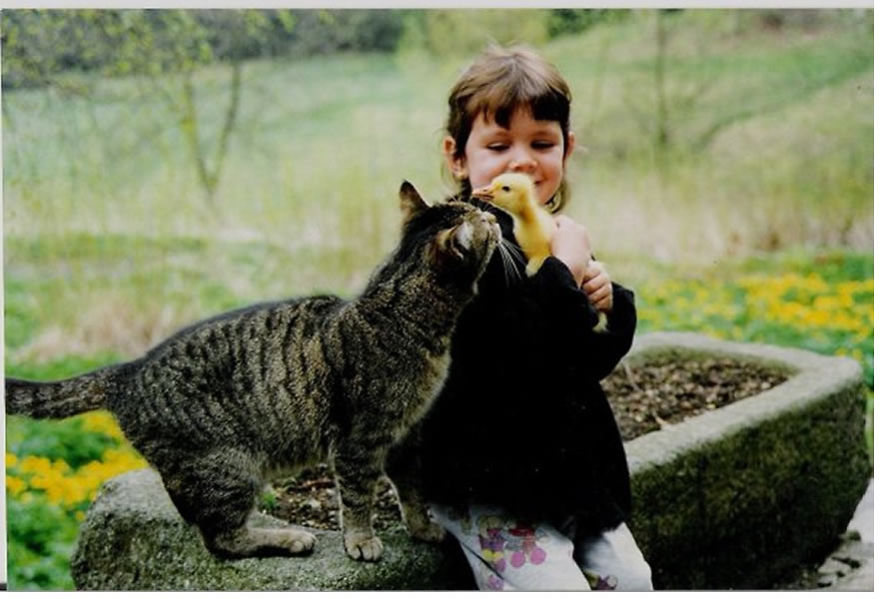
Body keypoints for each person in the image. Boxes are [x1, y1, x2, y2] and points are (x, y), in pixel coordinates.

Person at [414, 44, 654, 591]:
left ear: (567, 147)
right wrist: (563, 276)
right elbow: (511, 349)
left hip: (565, 475)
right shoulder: (454, 245)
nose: (522, 160)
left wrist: (610, 304)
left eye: (541, 143)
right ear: (457, 156)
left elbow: (581, 361)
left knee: (632, 580)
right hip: (487, 479)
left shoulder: (549, 234)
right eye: (499, 145)